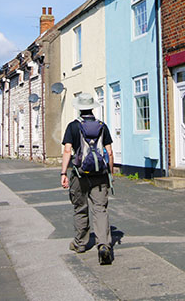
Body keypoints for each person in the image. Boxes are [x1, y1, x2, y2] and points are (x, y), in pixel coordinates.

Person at [60, 92, 114, 265]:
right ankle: (104, 244)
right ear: (92, 108)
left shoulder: (73, 127)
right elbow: (109, 152)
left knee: (80, 207)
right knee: (100, 209)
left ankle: (80, 243)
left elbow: (68, 150)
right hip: (100, 175)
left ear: (79, 109)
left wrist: (63, 173)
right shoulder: (102, 126)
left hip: (79, 174)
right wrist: (110, 173)